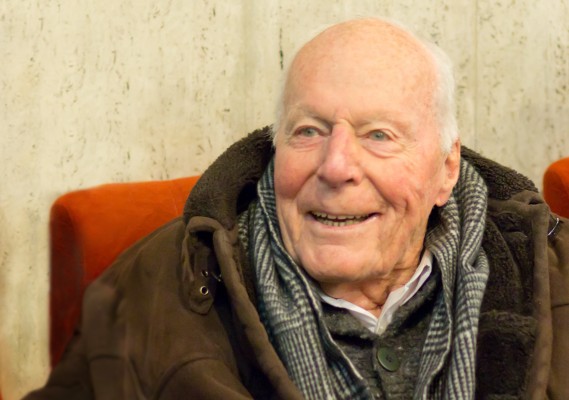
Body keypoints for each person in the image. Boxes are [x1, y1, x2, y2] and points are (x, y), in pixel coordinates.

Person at [26, 17, 568, 399]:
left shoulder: (554, 274)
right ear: (275, 143)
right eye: (308, 131)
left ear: (446, 169)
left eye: (378, 135)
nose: (336, 167)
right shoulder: (156, 285)